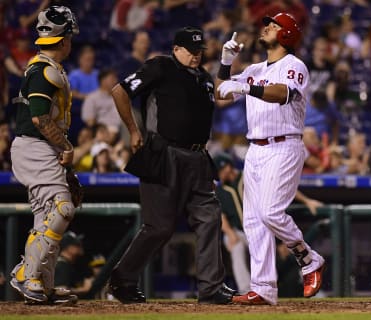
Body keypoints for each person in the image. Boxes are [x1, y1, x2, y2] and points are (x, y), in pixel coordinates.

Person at [108, 26, 235, 305]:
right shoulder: (161, 66)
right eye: (191, 51)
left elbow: (225, 96)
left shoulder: (203, 77)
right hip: (164, 153)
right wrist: (133, 130)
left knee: (209, 217)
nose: (196, 56)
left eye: (199, 51)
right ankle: (122, 280)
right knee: (159, 227)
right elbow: (120, 91)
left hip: (199, 157)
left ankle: (211, 288)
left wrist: (227, 64)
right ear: (176, 49)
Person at [216, 13, 326, 305]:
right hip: (256, 149)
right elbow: (220, 94)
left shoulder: (295, 65)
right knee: (253, 222)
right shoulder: (254, 68)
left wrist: (245, 87)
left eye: (274, 25)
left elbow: (283, 94)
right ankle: (263, 288)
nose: (266, 27)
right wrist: (226, 63)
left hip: (284, 145)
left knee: (270, 213)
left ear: (287, 34)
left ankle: (309, 258)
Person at [8, 5, 79, 305]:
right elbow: (39, 117)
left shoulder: (46, 67)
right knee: (62, 208)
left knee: (46, 214)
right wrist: (66, 147)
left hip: (39, 147)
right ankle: (27, 273)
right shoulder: (44, 70)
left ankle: (43, 284)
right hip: (34, 145)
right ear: (63, 40)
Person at [214, 153, 323, 295]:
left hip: (264, 230)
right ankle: (246, 290)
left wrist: (307, 201)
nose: (221, 175)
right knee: (235, 245)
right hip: (240, 233)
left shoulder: (250, 176)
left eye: (221, 170)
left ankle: (313, 288)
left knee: (289, 254)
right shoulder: (221, 190)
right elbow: (221, 216)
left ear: (228, 167)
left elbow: (280, 187)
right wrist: (230, 233)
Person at [55, 231, 93, 298]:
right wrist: (83, 290)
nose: (80, 246)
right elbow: (59, 290)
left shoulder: (68, 264)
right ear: (68, 247)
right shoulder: (62, 265)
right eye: (77, 244)